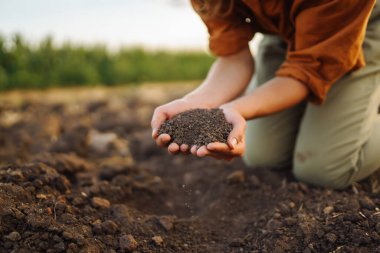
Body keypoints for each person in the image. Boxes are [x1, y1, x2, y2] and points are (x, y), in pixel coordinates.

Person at [151, 0, 380, 189]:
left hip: (350, 29)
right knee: (263, 157)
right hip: (282, 31)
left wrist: (238, 108)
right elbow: (234, 59)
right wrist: (193, 102)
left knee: (325, 170)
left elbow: (304, 74)